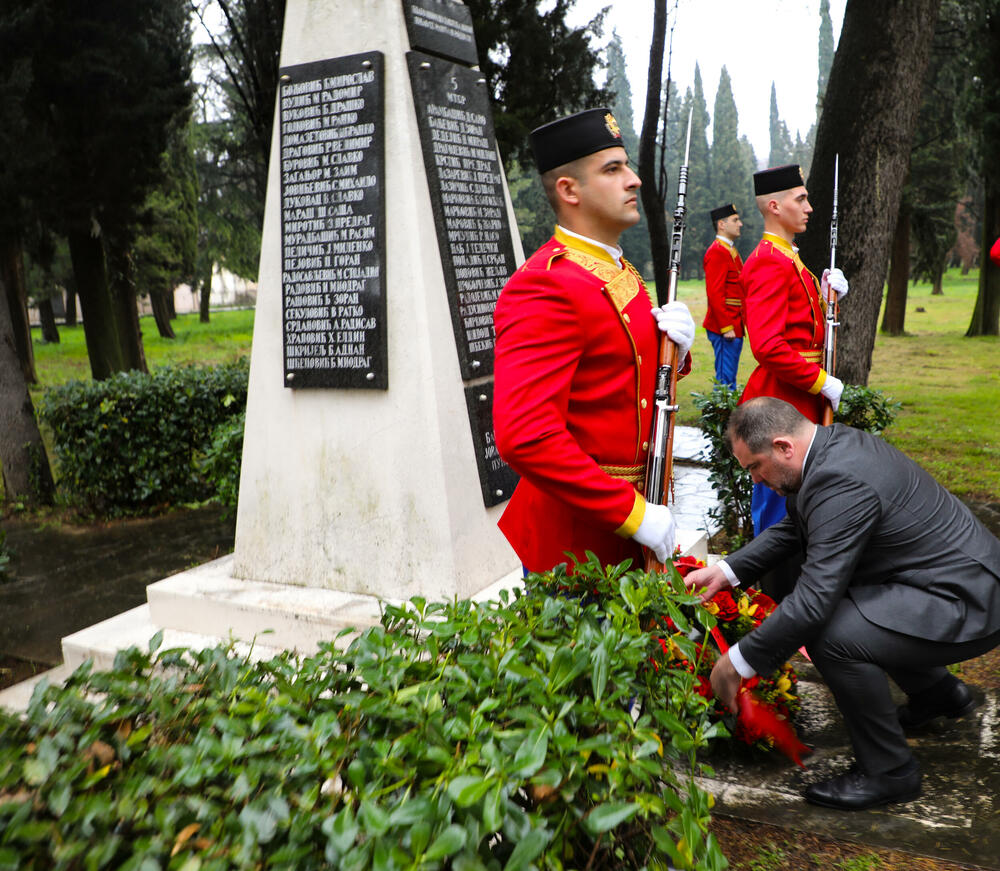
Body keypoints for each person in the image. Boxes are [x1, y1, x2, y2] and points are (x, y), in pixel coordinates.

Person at [684, 397, 1000, 811]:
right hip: (949, 582)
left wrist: (736, 662)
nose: (756, 480)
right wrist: (726, 572)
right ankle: (938, 694)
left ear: (783, 447)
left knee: (831, 634)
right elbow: (795, 526)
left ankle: (890, 772)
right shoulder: (830, 447)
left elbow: (813, 603)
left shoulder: (838, 480)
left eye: (755, 467)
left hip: (967, 601)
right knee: (847, 613)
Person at [492, 108, 696, 573]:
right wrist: (632, 514)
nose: (634, 179)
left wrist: (676, 355)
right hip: (577, 543)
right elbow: (525, 436)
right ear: (570, 190)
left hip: (630, 521)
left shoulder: (616, 268)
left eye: (627, 166)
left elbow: (621, 376)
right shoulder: (545, 284)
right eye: (613, 169)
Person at [741, 165, 849, 538]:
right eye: (800, 199)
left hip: (796, 399)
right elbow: (768, 345)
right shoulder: (770, 260)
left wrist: (827, 299)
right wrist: (821, 382)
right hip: (782, 404)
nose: (809, 207)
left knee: (800, 509)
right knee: (779, 515)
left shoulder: (788, 256)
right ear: (774, 206)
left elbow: (803, 331)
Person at [702, 203, 745, 390]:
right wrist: (726, 327)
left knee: (729, 379)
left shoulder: (729, 250)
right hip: (725, 328)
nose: (740, 224)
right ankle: (721, 410)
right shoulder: (717, 251)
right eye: (735, 220)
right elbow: (715, 293)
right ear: (721, 224)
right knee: (725, 383)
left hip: (734, 325)